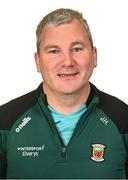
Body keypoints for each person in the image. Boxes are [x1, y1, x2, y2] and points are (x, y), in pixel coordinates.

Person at [0, 8, 128, 179]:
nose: (67, 61)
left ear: (94, 56)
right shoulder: (5, 122)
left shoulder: (123, 121)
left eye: (77, 49)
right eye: (54, 51)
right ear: (38, 61)